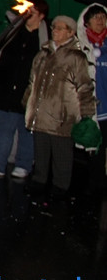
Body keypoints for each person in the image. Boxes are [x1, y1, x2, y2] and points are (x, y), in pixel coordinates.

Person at [24, 15, 95, 202]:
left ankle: (60, 185)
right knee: (41, 151)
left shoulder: (76, 58)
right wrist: (27, 102)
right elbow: (32, 81)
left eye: (60, 28)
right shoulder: (43, 54)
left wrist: (87, 114)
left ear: (71, 33)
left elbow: (85, 86)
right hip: (40, 113)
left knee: (62, 154)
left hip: (63, 115)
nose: (55, 30)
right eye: (54, 27)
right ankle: (39, 180)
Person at [0, 0, 49, 178]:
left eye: (33, 12)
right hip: (5, 89)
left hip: (28, 91)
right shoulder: (14, 33)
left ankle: (24, 164)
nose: (28, 15)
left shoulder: (45, 39)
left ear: (41, 16)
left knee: (26, 130)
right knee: (3, 128)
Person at [76, 3, 107, 195]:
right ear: (86, 22)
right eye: (96, 17)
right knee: (92, 145)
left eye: (103, 17)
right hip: (90, 105)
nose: (100, 20)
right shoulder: (79, 46)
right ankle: (94, 184)